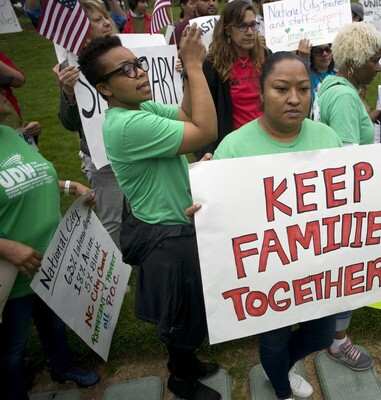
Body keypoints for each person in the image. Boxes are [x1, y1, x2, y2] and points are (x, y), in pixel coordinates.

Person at [78, 26, 220, 399]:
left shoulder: (140, 108)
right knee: (178, 313)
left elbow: (188, 113)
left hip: (173, 222)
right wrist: (194, 67)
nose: (140, 72)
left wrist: (188, 75)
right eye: (125, 70)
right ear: (105, 88)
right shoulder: (128, 125)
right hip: (165, 235)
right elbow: (205, 130)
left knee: (191, 306)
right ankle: (181, 379)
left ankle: (188, 362)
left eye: (137, 64)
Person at [213, 51, 340, 400]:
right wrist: (203, 207)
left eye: (303, 88)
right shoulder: (234, 148)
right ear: (261, 92)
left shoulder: (327, 138)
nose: (294, 99)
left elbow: (350, 200)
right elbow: (217, 217)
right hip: (267, 276)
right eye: (281, 89)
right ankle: (282, 388)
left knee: (321, 336)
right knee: (274, 338)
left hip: (318, 271)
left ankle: (281, 368)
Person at [0, 89, 100, 400]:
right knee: (10, 349)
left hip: (50, 259)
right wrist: (6, 248)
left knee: (53, 323)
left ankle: (62, 366)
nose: (4, 94)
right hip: (9, 277)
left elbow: (31, 178)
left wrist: (71, 186)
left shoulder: (9, 134)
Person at [313, 22, 381, 371]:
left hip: (336, 201)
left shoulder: (335, 86)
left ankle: (327, 329)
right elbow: (347, 163)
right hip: (346, 203)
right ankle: (338, 341)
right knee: (348, 272)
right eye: (374, 60)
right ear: (355, 62)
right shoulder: (343, 96)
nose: (379, 66)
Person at [53, 0, 124, 249]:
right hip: (103, 156)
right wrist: (68, 93)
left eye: (106, 17)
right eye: (97, 20)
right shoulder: (69, 69)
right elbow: (70, 123)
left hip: (136, 146)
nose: (106, 22)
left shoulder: (127, 54)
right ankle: (113, 274)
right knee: (112, 217)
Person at [201, 0, 265, 157]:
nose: (250, 32)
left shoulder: (266, 56)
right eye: (242, 26)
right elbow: (205, 113)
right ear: (228, 30)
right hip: (235, 147)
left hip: (266, 141)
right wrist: (207, 150)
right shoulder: (213, 65)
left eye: (253, 25)